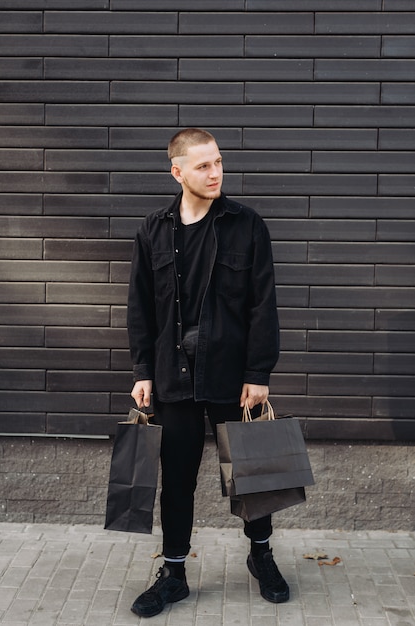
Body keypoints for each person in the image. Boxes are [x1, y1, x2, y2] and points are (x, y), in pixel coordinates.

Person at [127, 128, 289, 618]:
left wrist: (259, 372)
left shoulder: (246, 224)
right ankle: (173, 574)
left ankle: (262, 557)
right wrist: (142, 369)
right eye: (203, 165)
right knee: (176, 479)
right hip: (173, 374)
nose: (215, 172)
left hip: (232, 375)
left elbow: (264, 304)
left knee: (252, 472)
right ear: (177, 172)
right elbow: (140, 306)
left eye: (218, 162)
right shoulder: (153, 230)